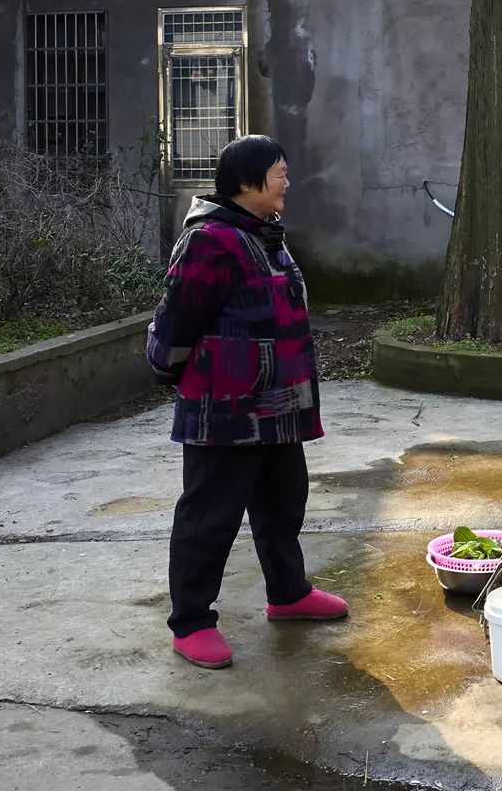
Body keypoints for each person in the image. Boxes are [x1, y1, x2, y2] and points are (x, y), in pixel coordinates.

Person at [147, 135, 346, 669]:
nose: (287, 180)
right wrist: (166, 368)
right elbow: (176, 319)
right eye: (279, 172)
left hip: (278, 404)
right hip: (226, 407)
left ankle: (288, 593)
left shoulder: (265, 235)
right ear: (246, 181)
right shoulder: (210, 239)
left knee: (284, 503)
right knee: (210, 514)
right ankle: (190, 622)